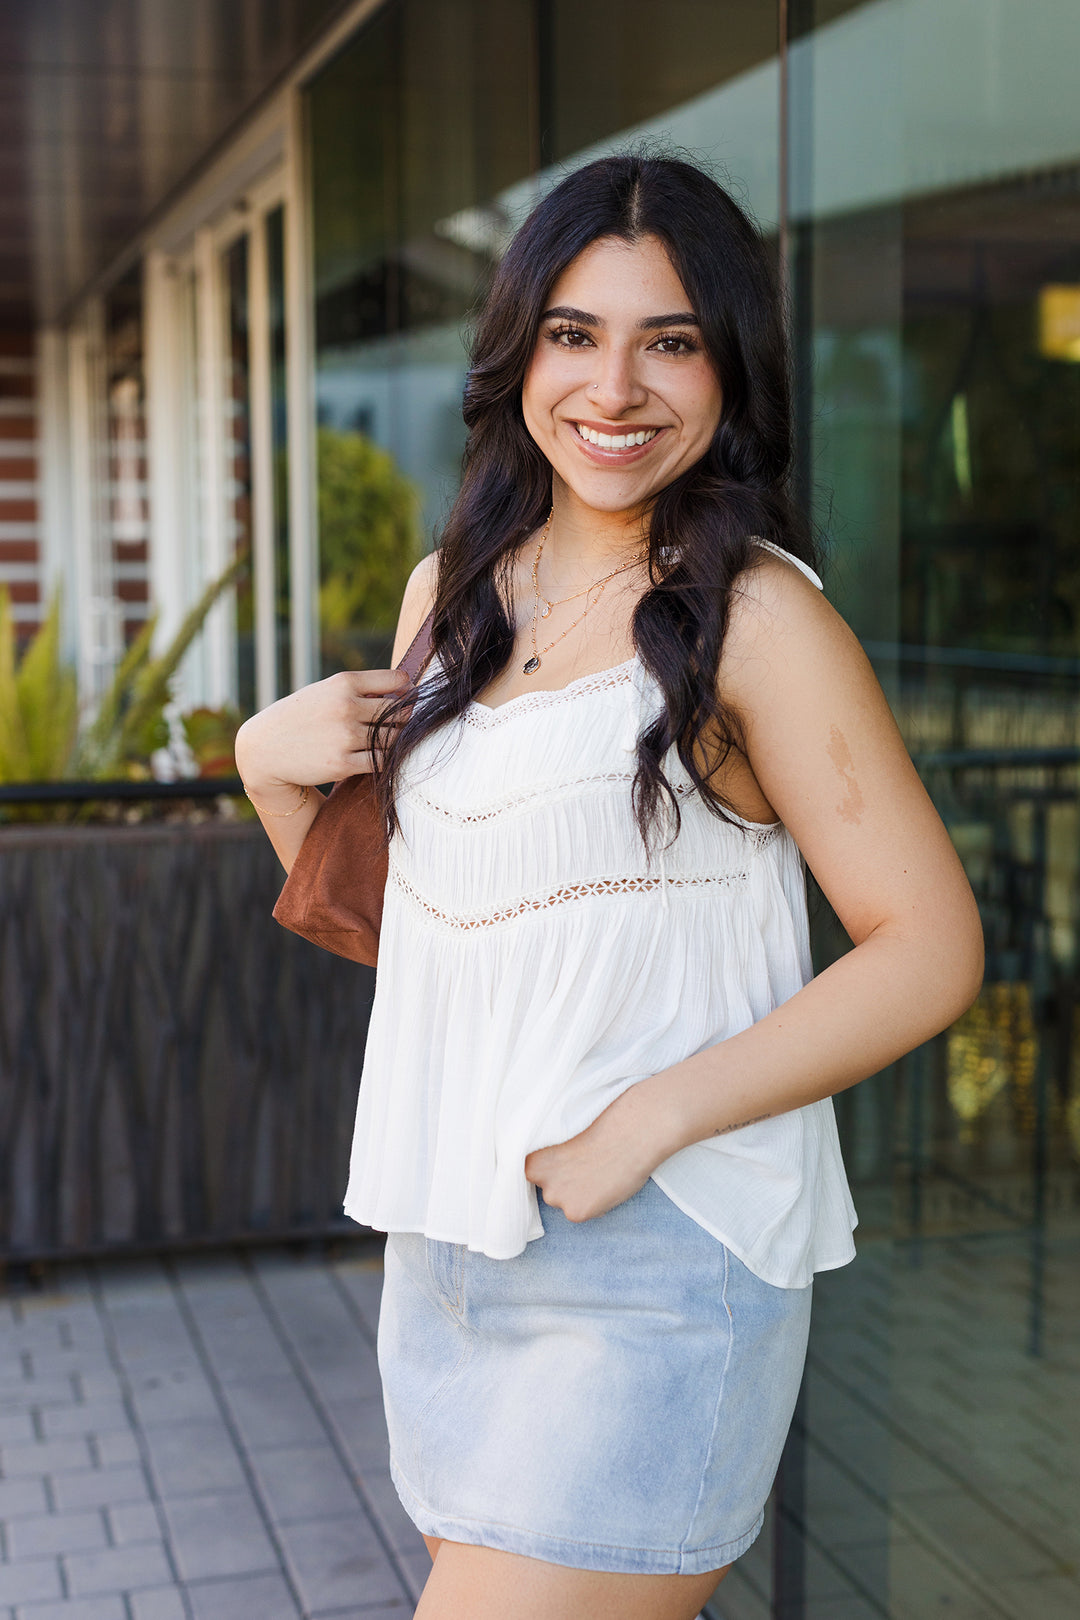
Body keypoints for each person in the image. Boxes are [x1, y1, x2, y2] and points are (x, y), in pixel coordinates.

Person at [235, 153, 983, 1620]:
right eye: (575, 334)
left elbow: (929, 946)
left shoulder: (753, 618)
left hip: (654, 1257)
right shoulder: (457, 584)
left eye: (672, 339)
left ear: (729, 366)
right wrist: (272, 773)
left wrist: (648, 1118)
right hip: (453, 1254)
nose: (616, 387)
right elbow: (448, 949)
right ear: (521, 349)